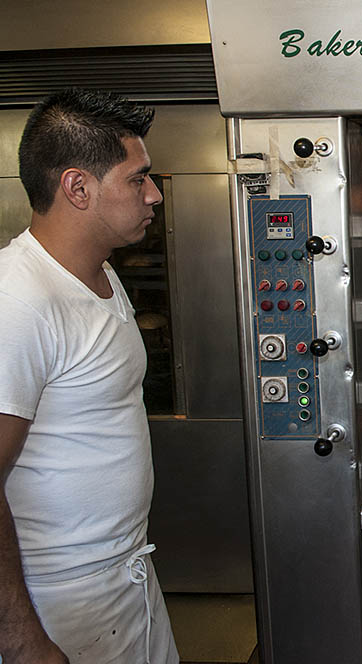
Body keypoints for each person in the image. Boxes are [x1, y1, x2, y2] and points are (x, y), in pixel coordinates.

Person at [0, 89, 179, 664]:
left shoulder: (98, 275)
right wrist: (23, 642)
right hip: (57, 600)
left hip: (125, 578)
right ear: (77, 187)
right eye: (138, 178)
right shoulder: (19, 300)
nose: (153, 194)